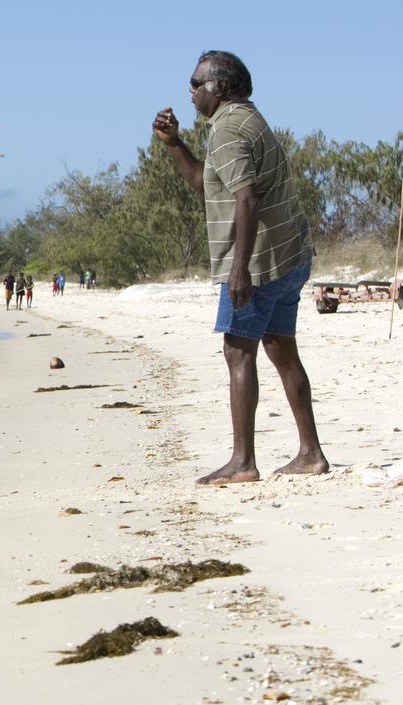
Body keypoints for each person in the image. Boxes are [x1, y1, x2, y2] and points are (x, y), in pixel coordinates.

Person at [152, 50, 328, 486]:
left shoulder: (229, 130)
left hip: (262, 262)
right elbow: (204, 183)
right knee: (281, 349)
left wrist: (240, 269)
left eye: (196, 83)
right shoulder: (245, 119)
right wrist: (175, 145)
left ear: (221, 88)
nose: (190, 91)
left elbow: (246, 198)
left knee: (237, 350)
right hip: (289, 255)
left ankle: (243, 462)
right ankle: (310, 453)